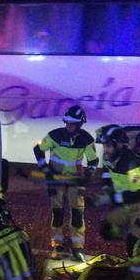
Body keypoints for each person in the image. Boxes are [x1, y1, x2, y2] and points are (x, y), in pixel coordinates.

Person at [33, 105, 99, 261]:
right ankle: (58, 245)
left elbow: (93, 160)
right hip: (56, 179)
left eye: (73, 124)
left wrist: (89, 174)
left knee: (77, 214)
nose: (69, 126)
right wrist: (45, 169)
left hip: (76, 181)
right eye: (67, 123)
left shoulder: (86, 139)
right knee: (58, 213)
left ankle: (78, 248)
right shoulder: (55, 135)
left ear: (80, 124)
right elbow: (38, 149)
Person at [96, 124, 140, 280]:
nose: (105, 150)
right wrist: (106, 191)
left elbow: (135, 195)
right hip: (125, 205)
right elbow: (107, 177)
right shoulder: (110, 158)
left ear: (119, 144)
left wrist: (110, 198)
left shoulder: (133, 163)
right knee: (107, 229)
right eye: (104, 146)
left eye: (108, 145)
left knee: (133, 247)